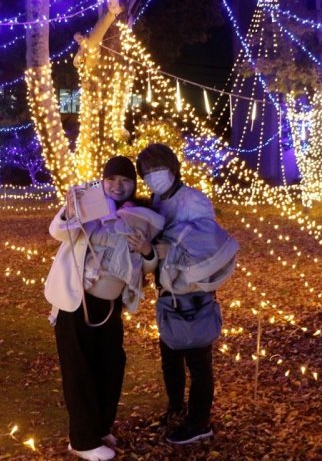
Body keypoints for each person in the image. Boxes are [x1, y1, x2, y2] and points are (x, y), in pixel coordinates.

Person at [45, 156, 162, 461]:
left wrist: (147, 251)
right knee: (79, 367)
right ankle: (82, 440)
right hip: (75, 299)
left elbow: (148, 266)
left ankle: (98, 427)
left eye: (125, 180)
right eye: (111, 179)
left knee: (110, 364)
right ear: (102, 180)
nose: (117, 186)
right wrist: (71, 211)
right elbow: (58, 231)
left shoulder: (142, 215)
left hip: (110, 302)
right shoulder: (88, 205)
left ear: (134, 184)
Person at [136, 143, 238, 446]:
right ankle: (176, 408)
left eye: (158, 169)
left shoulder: (194, 200)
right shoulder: (157, 200)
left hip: (193, 289)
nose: (154, 176)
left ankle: (199, 421)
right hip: (167, 287)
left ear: (173, 167)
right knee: (170, 354)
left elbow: (206, 241)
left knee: (197, 358)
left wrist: (165, 247)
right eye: (147, 172)